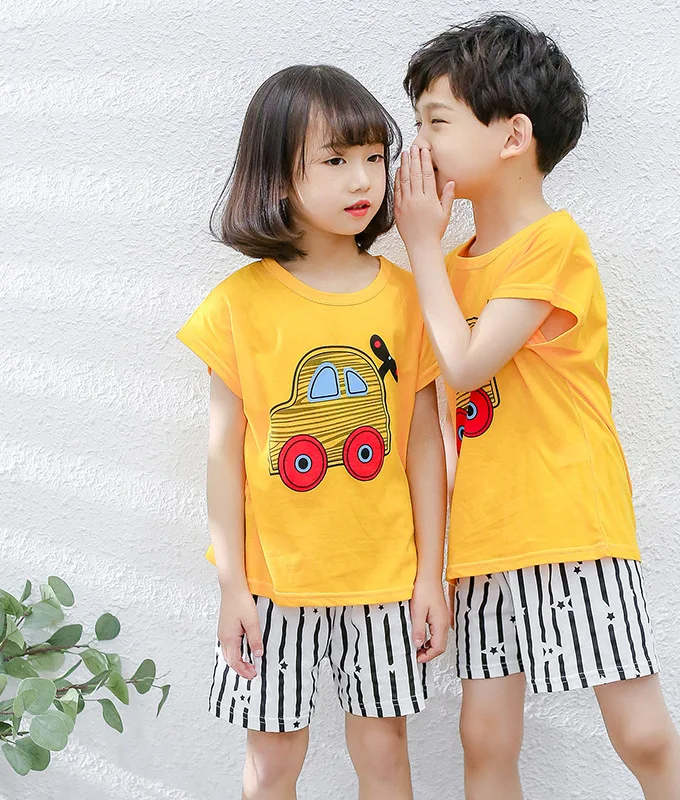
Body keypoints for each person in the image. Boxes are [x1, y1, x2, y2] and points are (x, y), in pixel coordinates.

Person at [394, 15, 680, 800]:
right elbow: (435, 418)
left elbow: (466, 366)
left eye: (435, 123)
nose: (417, 148)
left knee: (639, 730)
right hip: (483, 538)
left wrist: (419, 246)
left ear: (513, 135)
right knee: (484, 738)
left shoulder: (553, 244)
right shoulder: (447, 271)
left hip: (572, 522)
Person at [177, 64, 448, 800]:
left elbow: (424, 445)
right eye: (334, 160)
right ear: (276, 175)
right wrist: (232, 586)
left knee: (385, 753)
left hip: (385, 576)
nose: (362, 179)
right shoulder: (239, 305)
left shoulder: (407, 300)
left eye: (373, 157)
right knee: (272, 763)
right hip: (272, 583)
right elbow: (223, 457)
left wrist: (430, 574)